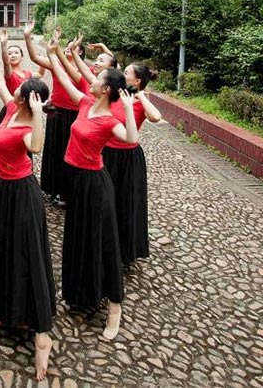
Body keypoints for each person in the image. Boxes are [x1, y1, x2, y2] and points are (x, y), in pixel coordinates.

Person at [46, 32, 137, 341]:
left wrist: (125, 108)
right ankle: (80, 292)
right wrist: (55, 52)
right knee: (78, 238)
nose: (92, 78)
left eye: (98, 78)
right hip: (77, 180)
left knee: (104, 243)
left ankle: (114, 309)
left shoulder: (111, 119)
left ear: (106, 89)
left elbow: (132, 139)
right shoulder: (86, 101)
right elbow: (66, 81)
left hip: (96, 185)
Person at [0, 30, 55, 381]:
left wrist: (39, 115)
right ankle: (11, 310)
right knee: (8, 251)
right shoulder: (12, 108)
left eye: (21, 93)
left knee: (29, 254)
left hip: (24, 193)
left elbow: (36, 149)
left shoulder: (29, 121)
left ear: (30, 100)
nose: (14, 91)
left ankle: (42, 334)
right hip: (6, 193)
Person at [74, 43, 163, 266]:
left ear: (137, 81)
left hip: (128, 159)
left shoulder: (137, 101)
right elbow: (96, 73)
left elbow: (156, 117)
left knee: (126, 203)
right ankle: (103, 246)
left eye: (126, 73)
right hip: (106, 154)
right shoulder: (112, 96)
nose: (122, 75)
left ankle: (125, 250)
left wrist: (141, 96)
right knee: (106, 202)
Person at [23, 22, 90, 207]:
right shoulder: (56, 65)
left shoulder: (82, 71)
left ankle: (68, 191)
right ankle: (54, 188)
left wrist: (59, 48)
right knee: (54, 151)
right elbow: (35, 58)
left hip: (75, 116)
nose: (68, 49)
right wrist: (28, 37)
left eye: (73, 48)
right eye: (66, 47)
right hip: (57, 113)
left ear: (80, 52)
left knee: (69, 153)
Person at [0, 27, 44, 125]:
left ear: (22, 56)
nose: (12, 55)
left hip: (27, 110)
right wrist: (3, 45)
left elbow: (40, 74)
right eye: (9, 54)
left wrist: (41, 60)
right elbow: (6, 63)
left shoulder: (28, 74)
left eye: (16, 53)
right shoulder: (9, 74)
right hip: (11, 109)